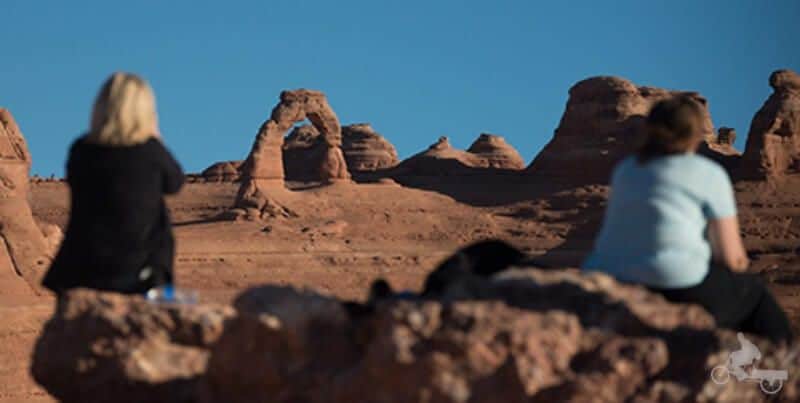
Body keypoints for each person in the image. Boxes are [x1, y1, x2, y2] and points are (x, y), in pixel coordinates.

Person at [582, 95, 793, 344]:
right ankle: (781, 365)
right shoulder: (708, 173)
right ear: (695, 134)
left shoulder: (626, 170)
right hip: (674, 280)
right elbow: (733, 258)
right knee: (755, 297)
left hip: (609, 277)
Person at [42, 72, 184, 294]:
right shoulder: (150, 151)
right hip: (134, 271)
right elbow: (175, 183)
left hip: (81, 268)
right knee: (159, 213)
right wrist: (156, 138)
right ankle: (162, 291)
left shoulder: (81, 150)